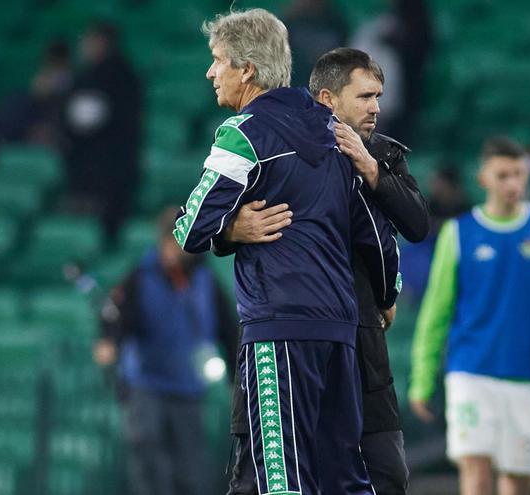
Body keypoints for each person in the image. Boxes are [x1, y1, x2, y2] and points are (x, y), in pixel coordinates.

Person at [176, 9, 401, 495]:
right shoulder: (336, 130)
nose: (211, 73)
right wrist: (386, 295)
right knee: (346, 478)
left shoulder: (243, 134)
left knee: (282, 481)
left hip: (278, 329)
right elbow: (376, 234)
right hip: (340, 334)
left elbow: (189, 230)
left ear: (247, 70)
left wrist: (229, 228)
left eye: (218, 61)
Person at [218, 47, 430, 495]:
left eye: (379, 96)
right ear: (329, 99)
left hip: (360, 340)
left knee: (382, 475)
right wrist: (231, 229)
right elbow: (214, 214)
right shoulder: (281, 148)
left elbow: (415, 223)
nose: (376, 107)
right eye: (365, 96)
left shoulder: (384, 155)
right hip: (289, 331)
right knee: (263, 479)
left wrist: (370, 169)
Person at [409, 136, 530, 495]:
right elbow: (436, 312)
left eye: (518, 174)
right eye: (503, 175)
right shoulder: (458, 233)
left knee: (518, 480)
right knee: (475, 467)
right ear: (484, 178)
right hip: (471, 372)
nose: (513, 184)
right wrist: (423, 377)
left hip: (526, 374)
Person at [93, 208, 238, 495]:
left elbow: (228, 331)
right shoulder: (142, 275)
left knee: (190, 468)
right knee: (147, 456)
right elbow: (117, 315)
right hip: (146, 384)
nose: (172, 249)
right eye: (168, 241)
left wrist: (235, 377)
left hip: (188, 388)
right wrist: (110, 340)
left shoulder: (206, 281)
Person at [61, 20, 141, 240]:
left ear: (102, 42)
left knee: (102, 224)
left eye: (89, 41)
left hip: (104, 170)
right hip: (103, 166)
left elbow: (85, 117)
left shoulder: (113, 76)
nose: (84, 46)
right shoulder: (119, 74)